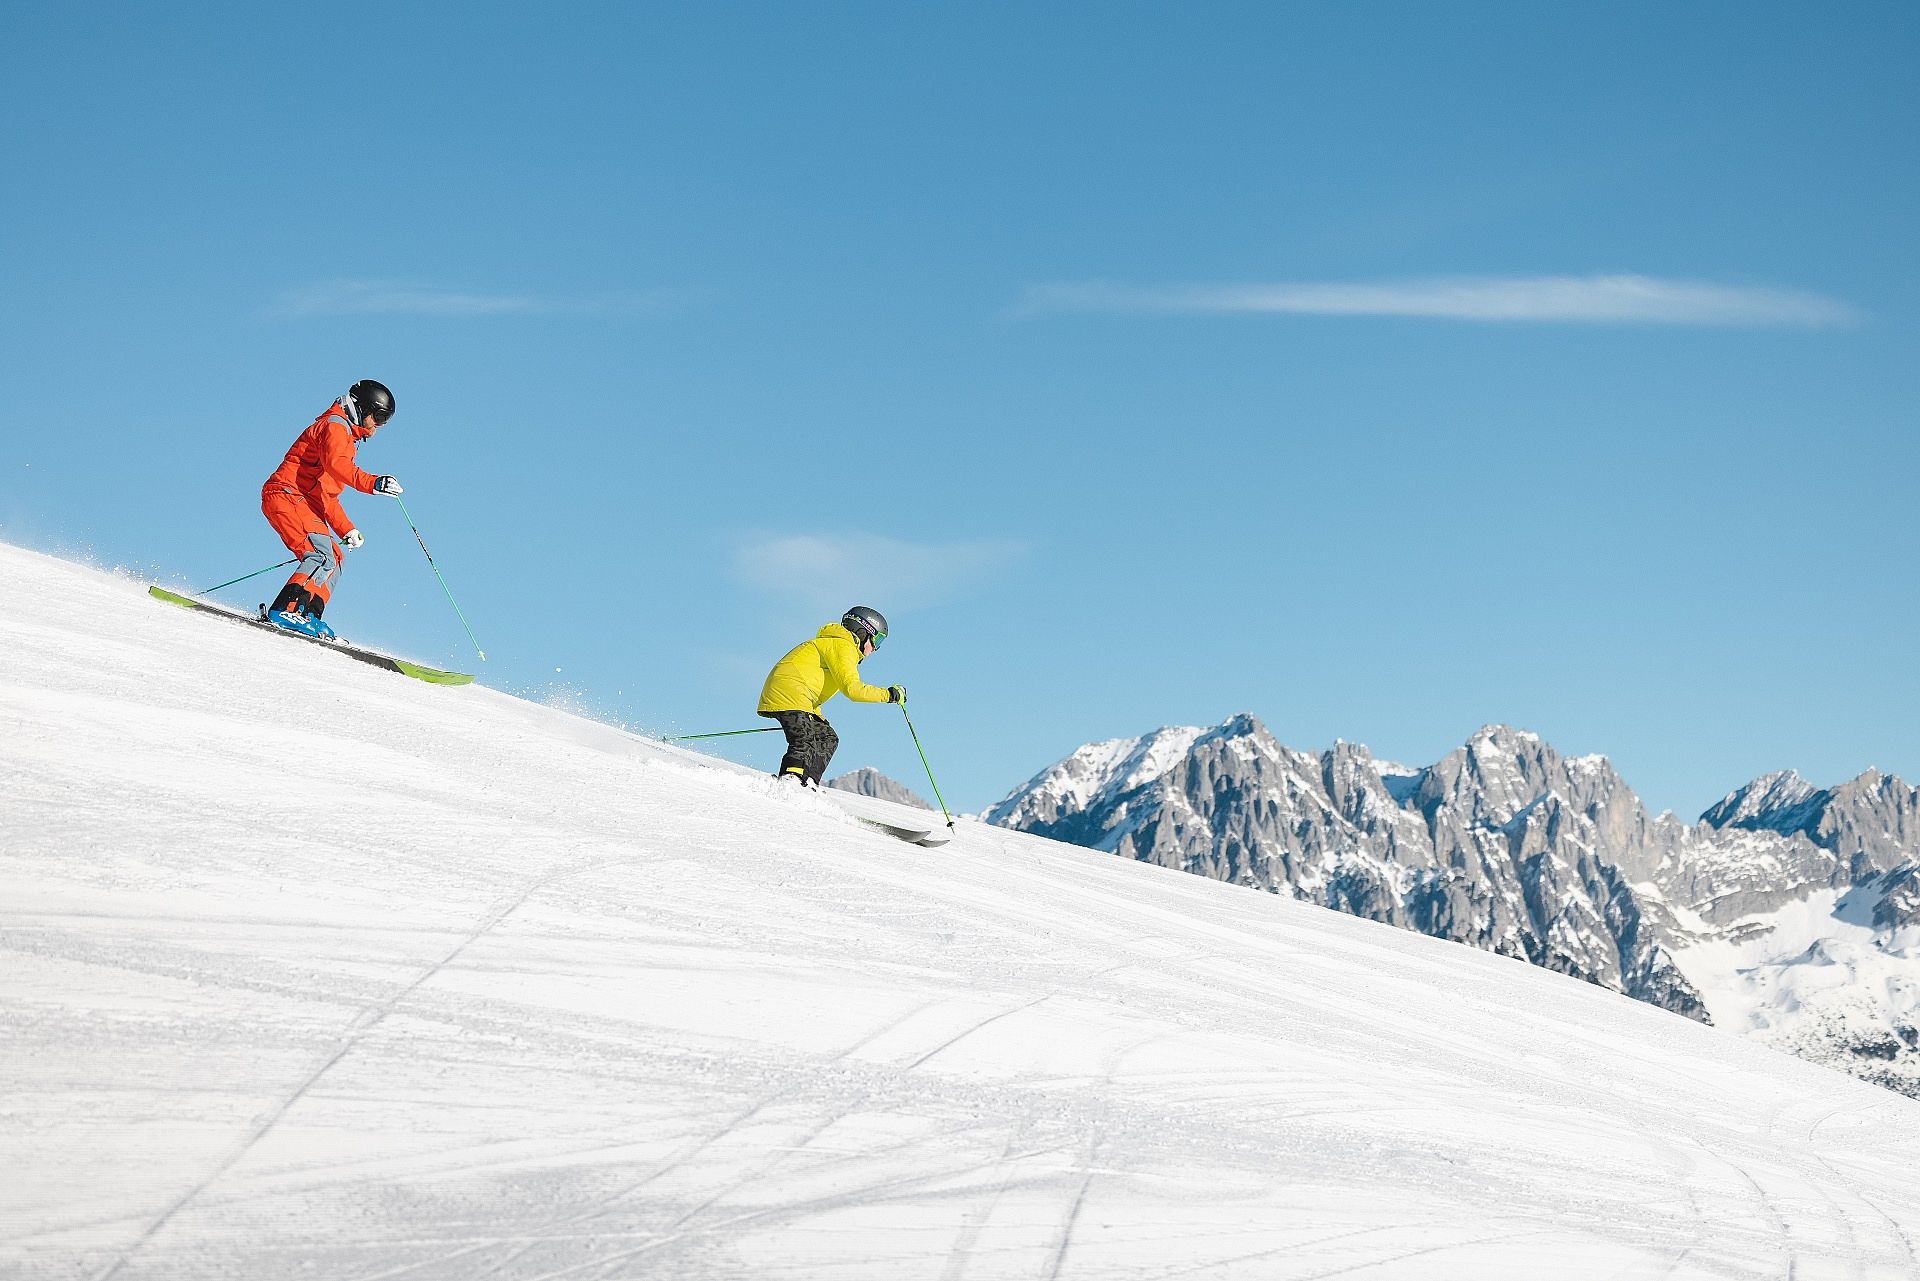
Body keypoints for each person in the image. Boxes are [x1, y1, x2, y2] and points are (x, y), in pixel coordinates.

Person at [260, 380, 404, 639]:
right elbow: (338, 466)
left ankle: (308, 613)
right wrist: (373, 482)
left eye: (386, 421)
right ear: (361, 409)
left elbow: (327, 495)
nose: (378, 426)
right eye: (379, 417)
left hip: (303, 500)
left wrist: (346, 529)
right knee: (320, 554)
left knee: (336, 557)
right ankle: (284, 610)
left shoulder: (345, 437)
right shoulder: (335, 426)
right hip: (287, 494)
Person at [757, 606, 905, 787]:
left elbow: (809, 680)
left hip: (797, 694)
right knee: (804, 738)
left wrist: (815, 712)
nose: (875, 648)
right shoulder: (843, 646)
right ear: (863, 632)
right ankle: (791, 780)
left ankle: (808, 783)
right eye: (877, 640)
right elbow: (852, 689)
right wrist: (888, 695)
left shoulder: (838, 645)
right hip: (789, 691)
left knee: (827, 738)